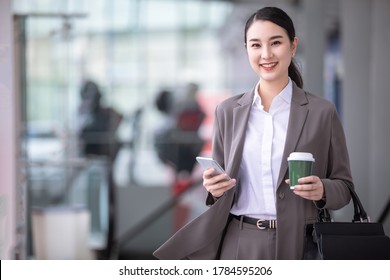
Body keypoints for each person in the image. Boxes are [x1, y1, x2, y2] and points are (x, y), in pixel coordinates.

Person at [153, 6, 353, 260]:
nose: (266, 54)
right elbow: (219, 181)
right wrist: (213, 188)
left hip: (303, 246)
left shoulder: (321, 112)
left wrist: (322, 190)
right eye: (255, 45)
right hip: (239, 244)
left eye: (276, 42)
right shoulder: (228, 111)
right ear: (247, 49)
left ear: (293, 46)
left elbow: (344, 188)